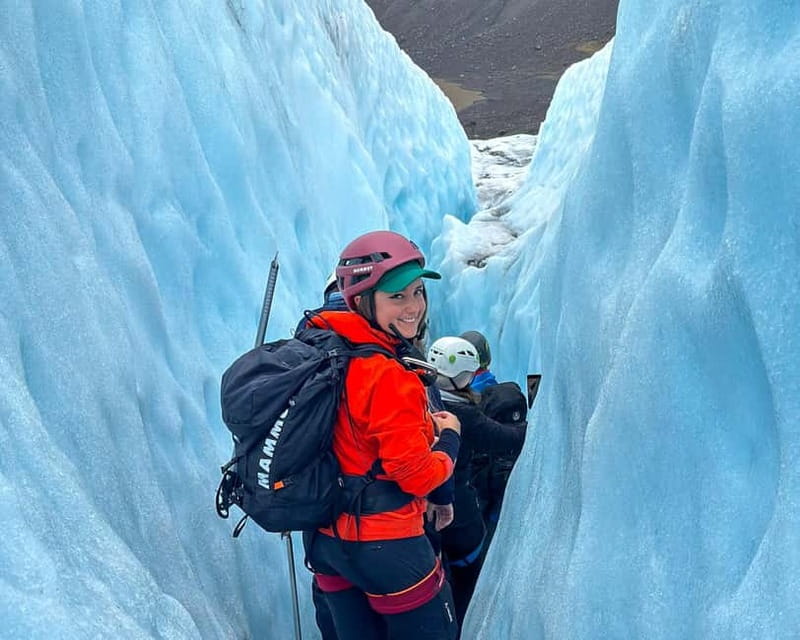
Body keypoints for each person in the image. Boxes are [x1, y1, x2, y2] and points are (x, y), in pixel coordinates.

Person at [302, 230, 462, 640]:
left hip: (325, 544)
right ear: (361, 300)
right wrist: (449, 440)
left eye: (418, 292)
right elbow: (416, 476)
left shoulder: (319, 349)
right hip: (388, 547)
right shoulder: (389, 376)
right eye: (397, 297)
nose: (413, 308)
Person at [426, 336, 527, 632]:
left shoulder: (423, 400)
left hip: (425, 515)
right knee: (468, 583)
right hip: (461, 517)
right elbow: (505, 440)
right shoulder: (464, 415)